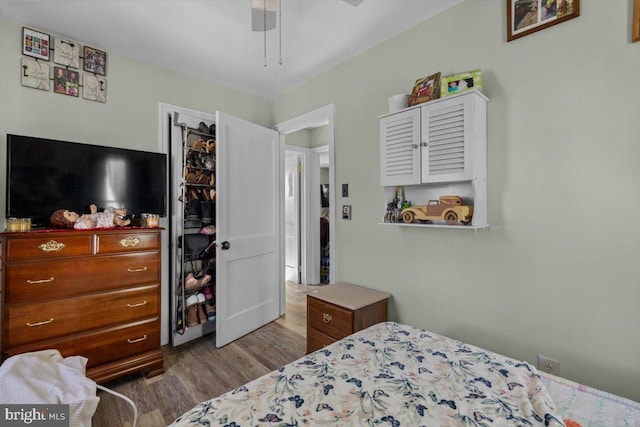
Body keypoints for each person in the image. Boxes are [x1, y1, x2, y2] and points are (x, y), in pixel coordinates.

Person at [50, 204, 130, 229]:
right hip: (106, 221)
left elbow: (93, 217)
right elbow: (90, 226)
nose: (72, 212)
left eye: (69, 211)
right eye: (69, 214)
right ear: (67, 222)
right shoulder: (78, 224)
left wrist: (93, 212)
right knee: (113, 217)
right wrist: (87, 220)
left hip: (102, 216)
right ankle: (121, 222)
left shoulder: (81, 218)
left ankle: (121, 212)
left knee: (109, 209)